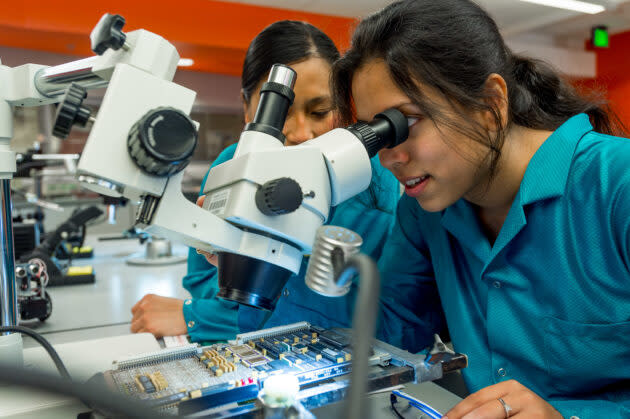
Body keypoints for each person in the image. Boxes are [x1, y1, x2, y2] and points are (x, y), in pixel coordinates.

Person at [332, 0, 630, 418]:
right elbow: (387, 337)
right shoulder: (424, 212)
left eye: (408, 120)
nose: (390, 157)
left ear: (490, 103)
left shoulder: (618, 183)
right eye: (377, 134)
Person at [130, 20, 400, 343]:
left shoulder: (377, 185)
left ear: (344, 107)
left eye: (320, 111)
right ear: (247, 110)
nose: (301, 133)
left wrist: (197, 317)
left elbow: (389, 318)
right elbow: (202, 279)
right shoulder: (232, 165)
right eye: (281, 112)